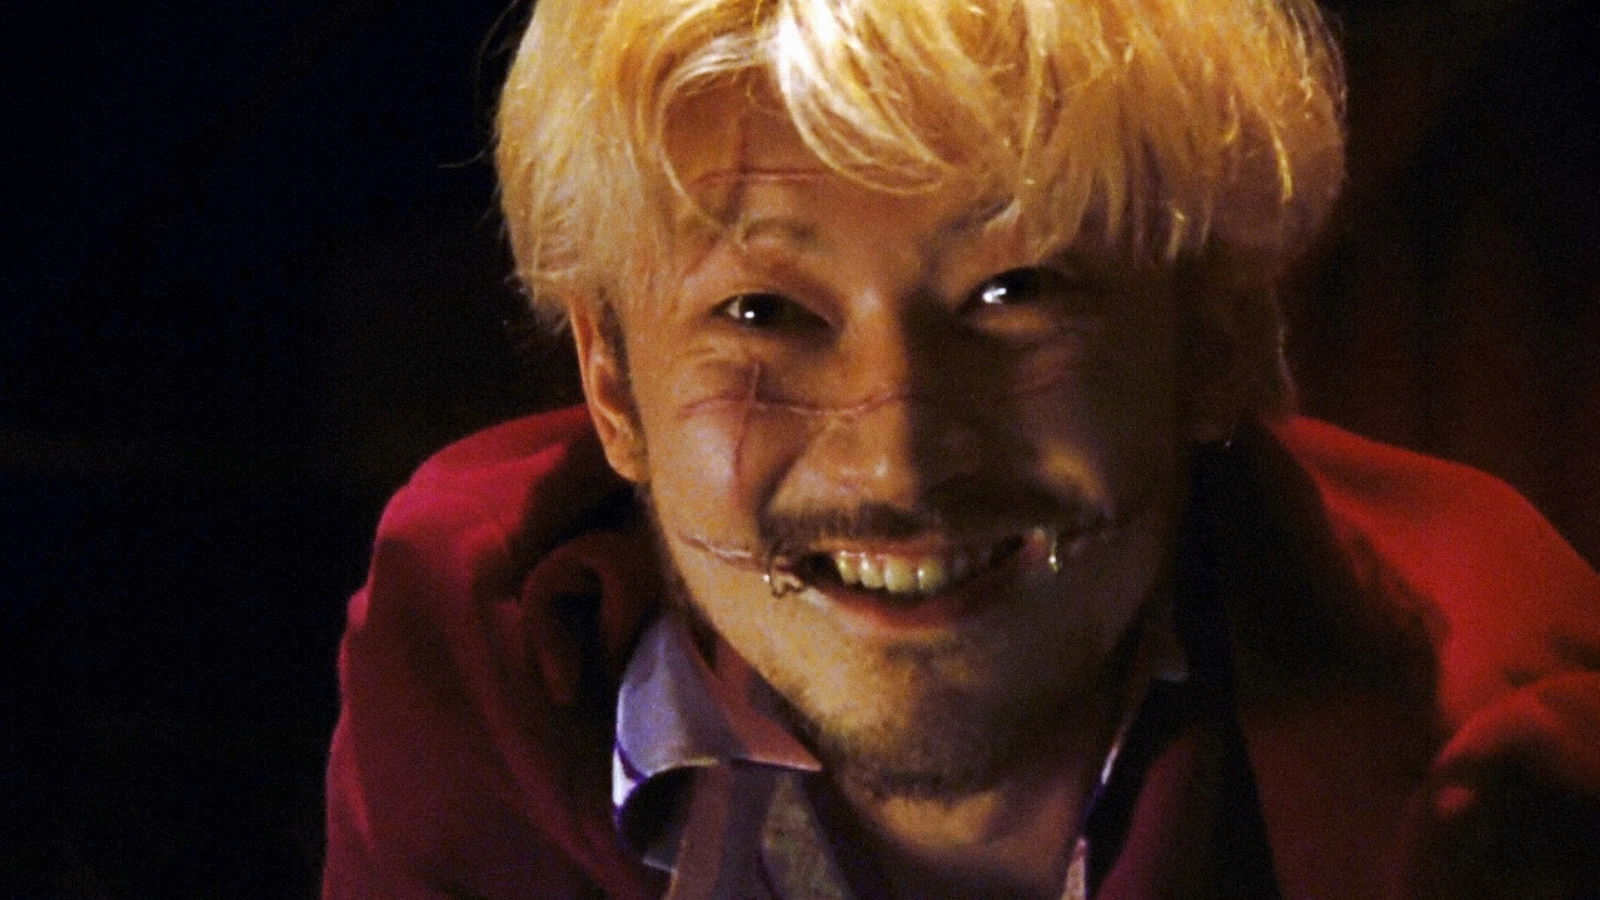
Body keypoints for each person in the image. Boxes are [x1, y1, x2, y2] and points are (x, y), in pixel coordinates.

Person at [323, 0, 1600, 896]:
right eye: (762, 313)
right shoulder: (482, 648)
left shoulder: (1492, 750)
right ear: (610, 381)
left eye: (1015, 291)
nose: (899, 466)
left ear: (1209, 336)